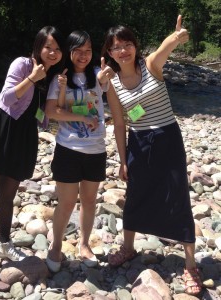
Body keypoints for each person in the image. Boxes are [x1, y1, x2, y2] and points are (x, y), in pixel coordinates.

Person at [101, 16, 202, 296]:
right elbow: (120, 124)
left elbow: (165, 47)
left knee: (177, 194)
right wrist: (122, 159)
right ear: (109, 53)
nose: (123, 51)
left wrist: (176, 36)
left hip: (168, 138)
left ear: (135, 46)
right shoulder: (113, 84)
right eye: (116, 47)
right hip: (139, 142)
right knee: (136, 194)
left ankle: (191, 264)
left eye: (127, 44)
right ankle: (129, 247)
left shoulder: (150, 66)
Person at [0, 26, 64, 289]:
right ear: (38, 46)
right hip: (1, 129)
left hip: (23, 136)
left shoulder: (52, 76)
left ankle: (5, 243)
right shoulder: (23, 64)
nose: (53, 53)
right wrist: (32, 78)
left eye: (57, 49)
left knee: (9, 196)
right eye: (48, 47)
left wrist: (57, 99)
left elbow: (42, 118)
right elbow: (7, 98)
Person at [45, 30, 114, 272]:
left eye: (88, 51)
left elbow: (107, 82)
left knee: (89, 200)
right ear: (70, 52)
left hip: (96, 149)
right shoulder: (60, 78)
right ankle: (55, 246)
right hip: (68, 148)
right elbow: (52, 112)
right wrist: (83, 117)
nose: (84, 55)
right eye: (79, 51)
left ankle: (84, 244)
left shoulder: (97, 74)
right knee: (65, 203)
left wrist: (107, 75)